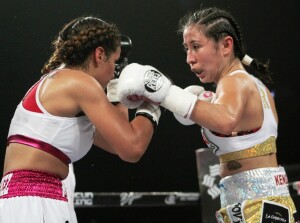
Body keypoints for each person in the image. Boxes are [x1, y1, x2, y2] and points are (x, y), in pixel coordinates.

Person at [116, 7, 299, 223]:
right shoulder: (253, 85)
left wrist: (163, 92)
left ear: (226, 45)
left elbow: (224, 120)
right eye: (186, 49)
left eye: (196, 47)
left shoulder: (235, 81)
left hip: (257, 204)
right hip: (261, 202)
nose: (189, 59)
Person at [0, 16, 161, 223]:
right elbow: (133, 147)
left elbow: (117, 143)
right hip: (36, 201)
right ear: (99, 55)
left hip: (26, 200)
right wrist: (156, 102)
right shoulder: (80, 83)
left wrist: (119, 91)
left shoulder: (58, 84)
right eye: (114, 62)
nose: (115, 70)